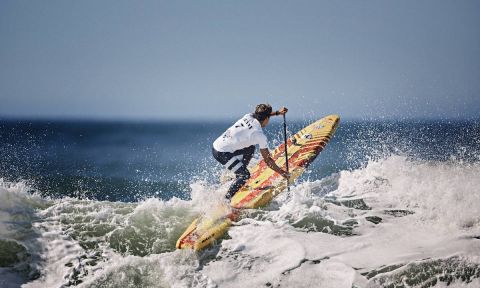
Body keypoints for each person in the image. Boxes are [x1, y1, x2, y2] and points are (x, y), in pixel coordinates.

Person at [212, 104, 289, 199]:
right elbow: (268, 161)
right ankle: (226, 200)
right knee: (245, 175)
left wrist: (277, 113)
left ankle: (238, 175)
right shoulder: (259, 135)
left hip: (217, 143)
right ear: (266, 118)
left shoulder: (248, 116)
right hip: (221, 152)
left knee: (250, 147)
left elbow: (262, 115)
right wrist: (282, 172)